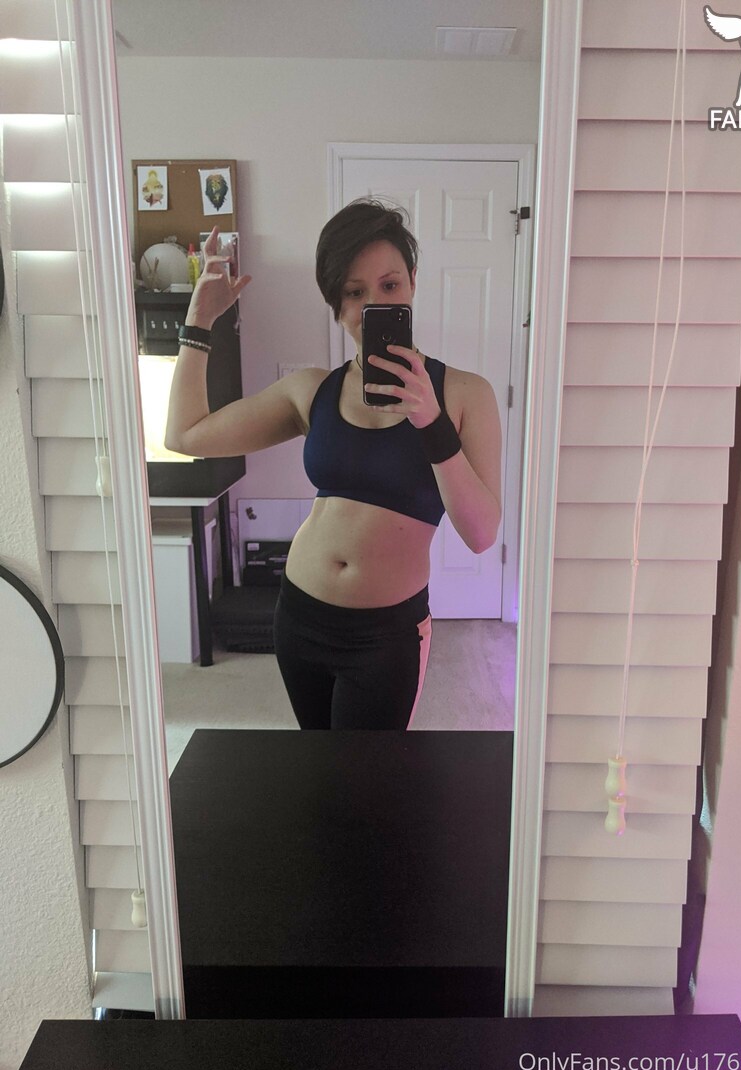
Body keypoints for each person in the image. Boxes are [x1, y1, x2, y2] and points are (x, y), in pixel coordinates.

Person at [165, 200, 502, 730]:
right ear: (337, 306)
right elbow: (186, 435)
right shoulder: (311, 391)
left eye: (389, 285)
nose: (373, 304)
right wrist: (199, 320)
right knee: (316, 763)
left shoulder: (464, 394)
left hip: (386, 635)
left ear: (412, 283)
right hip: (300, 615)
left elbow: (481, 534)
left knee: (366, 775)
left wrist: (431, 423)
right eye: (354, 292)